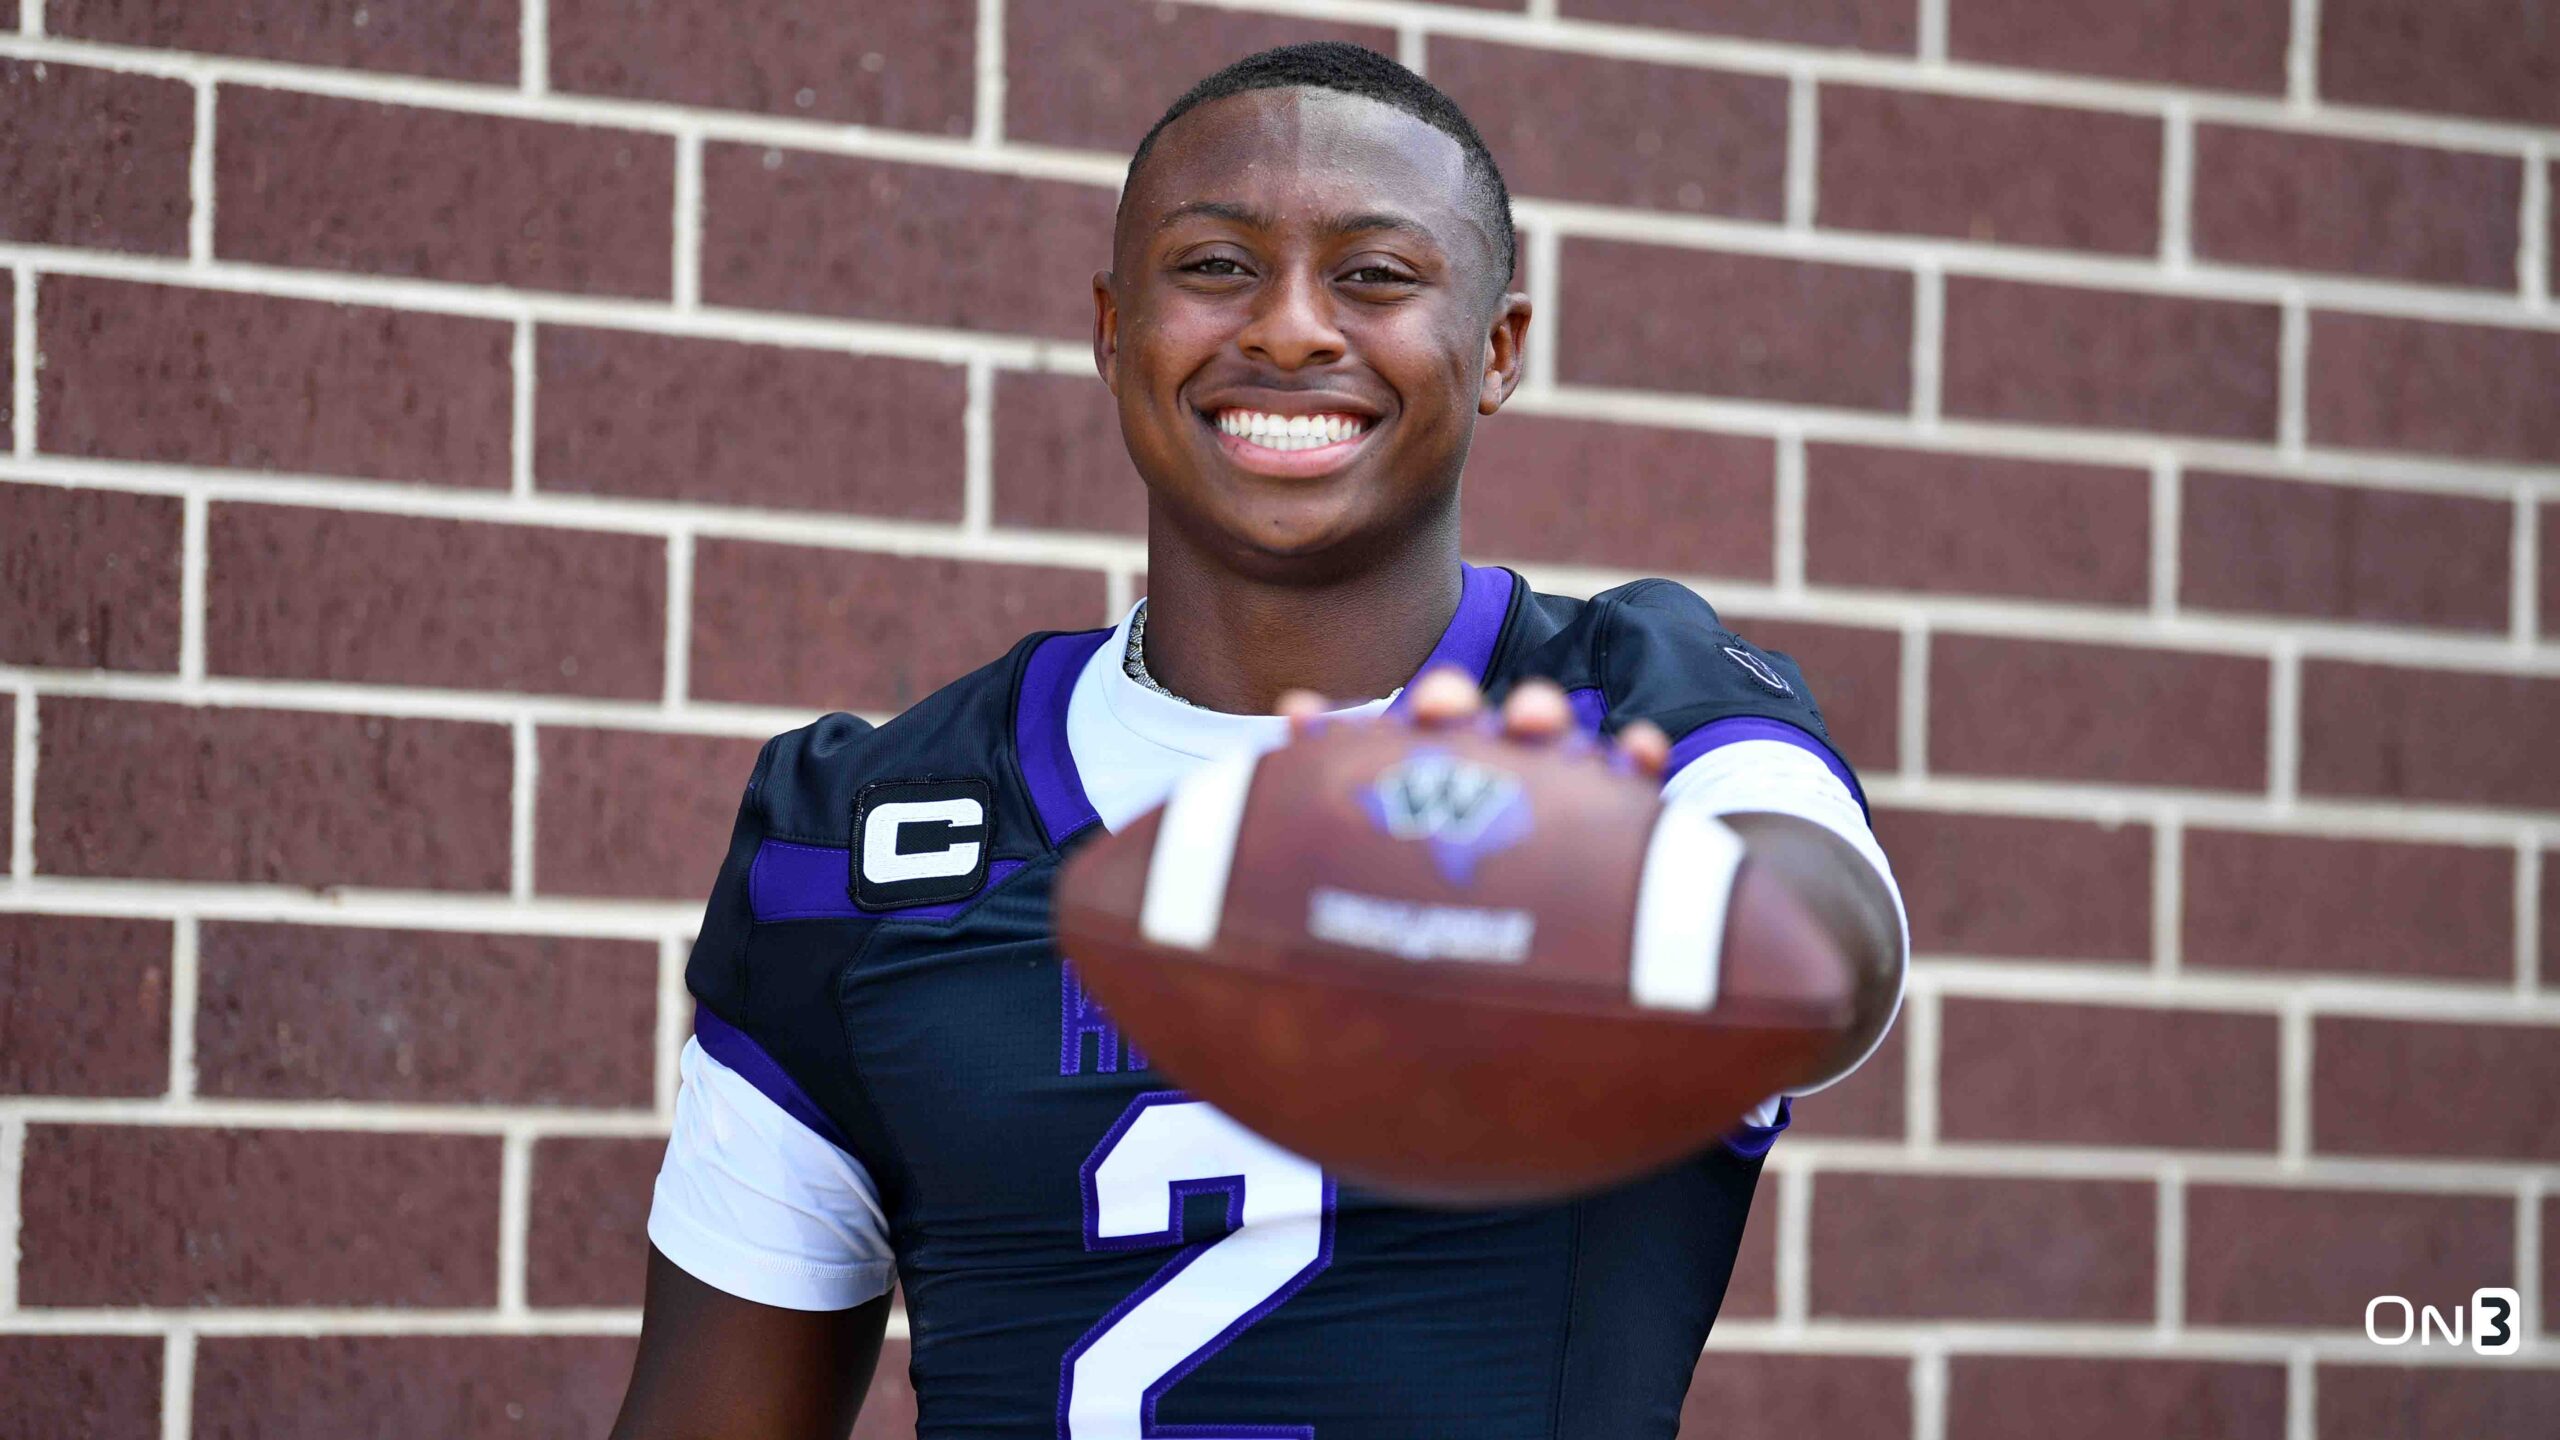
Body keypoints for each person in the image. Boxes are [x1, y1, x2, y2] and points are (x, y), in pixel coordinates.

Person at [609, 42, 1906, 1440]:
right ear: (1114, 329)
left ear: (1498, 348)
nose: (1290, 330)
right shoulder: (857, 834)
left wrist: (1602, 890)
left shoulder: (1640, 702)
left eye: (1377, 274)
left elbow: (1821, 959)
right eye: (1217, 265)